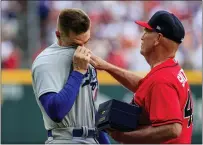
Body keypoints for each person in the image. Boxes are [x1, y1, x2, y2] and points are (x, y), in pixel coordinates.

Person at [90, 10, 193, 144]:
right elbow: (146, 86)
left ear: (158, 39)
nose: (142, 36)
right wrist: (107, 67)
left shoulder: (162, 80)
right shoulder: (170, 68)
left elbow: (172, 129)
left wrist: (124, 137)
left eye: (147, 31)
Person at [31, 8, 110, 144]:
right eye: (76, 44)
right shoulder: (46, 61)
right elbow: (56, 111)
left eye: (87, 41)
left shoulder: (87, 59)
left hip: (92, 139)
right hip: (66, 139)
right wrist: (78, 72)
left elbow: (92, 117)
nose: (83, 48)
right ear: (58, 35)